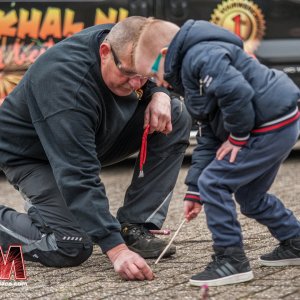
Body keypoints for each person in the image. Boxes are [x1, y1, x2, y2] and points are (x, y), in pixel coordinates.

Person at [0, 16, 192, 281]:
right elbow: (78, 174)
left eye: (143, 75)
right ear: (104, 53)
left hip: (91, 136)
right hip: (32, 156)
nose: (136, 84)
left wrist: (159, 93)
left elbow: (152, 70)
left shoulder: (125, 42)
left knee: (175, 112)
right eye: (128, 74)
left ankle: (135, 226)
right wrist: (116, 251)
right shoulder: (65, 87)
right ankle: (45, 213)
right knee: (71, 245)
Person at [132, 18, 300, 286]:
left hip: (268, 125)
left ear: (166, 54)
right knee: (249, 195)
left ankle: (231, 260)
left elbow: (237, 92)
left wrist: (238, 136)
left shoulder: (201, 56)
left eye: (153, 74)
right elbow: (209, 135)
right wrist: (194, 190)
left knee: (216, 182)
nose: (157, 83)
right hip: (276, 124)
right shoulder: (188, 75)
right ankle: (295, 241)